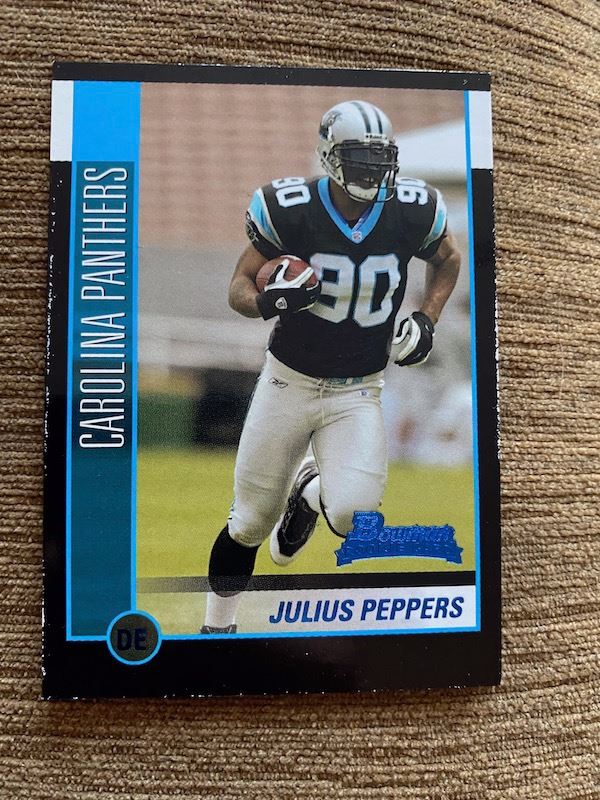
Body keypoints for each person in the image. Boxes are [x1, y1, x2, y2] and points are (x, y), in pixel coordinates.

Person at [201, 100, 461, 634]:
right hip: (288, 381)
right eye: (360, 158)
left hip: (359, 389)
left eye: (380, 158)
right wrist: (269, 301)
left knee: (353, 517)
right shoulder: (291, 208)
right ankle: (217, 628)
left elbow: (448, 258)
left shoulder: (411, 208)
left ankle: (310, 493)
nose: (373, 170)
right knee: (249, 521)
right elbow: (239, 287)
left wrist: (427, 318)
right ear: (329, 156)